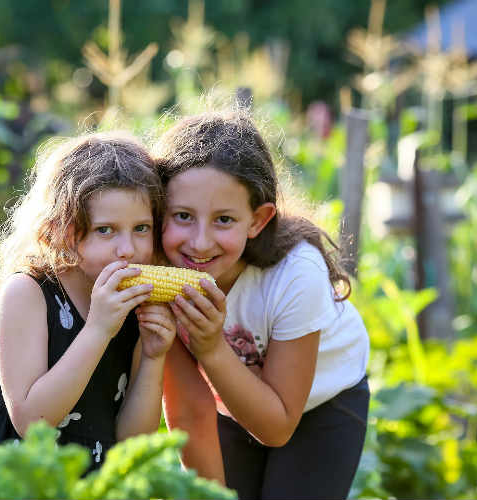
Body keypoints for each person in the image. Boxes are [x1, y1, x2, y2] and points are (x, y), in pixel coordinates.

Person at [155, 108, 370, 499]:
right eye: (183, 216)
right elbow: (188, 411)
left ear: (257, 220)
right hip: (227, 404)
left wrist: (211, 348)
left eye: (223, 220)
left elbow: (277, 426)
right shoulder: (158, 272)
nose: (200, 242)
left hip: (320, 404)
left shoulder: (295, 275)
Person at [0, 131, 176, 470]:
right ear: (60, 229)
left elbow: (133, 442)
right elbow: (32, 422)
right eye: (105, 230)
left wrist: (153, 357)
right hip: (12, 480)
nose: (128, 249)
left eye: (141, 228)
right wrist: (98, 328)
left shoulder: (136, 304)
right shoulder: (28, 294)